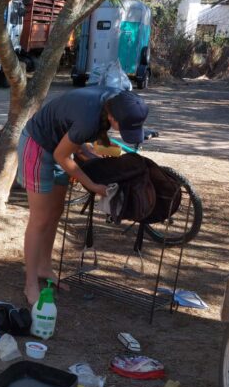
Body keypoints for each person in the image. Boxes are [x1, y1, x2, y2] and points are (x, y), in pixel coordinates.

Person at [18, 87, 149, 307]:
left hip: (60, 146)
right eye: (122, 126)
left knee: (56, 211)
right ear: (111, 116)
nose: (122, 131)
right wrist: (91, 184)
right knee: (40, 218)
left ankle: (44, 267)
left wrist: (92, 158)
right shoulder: (90, 117)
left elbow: (73, 144)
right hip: (38, 145)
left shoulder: (117, 100)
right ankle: (30, 283)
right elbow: (61, 155)